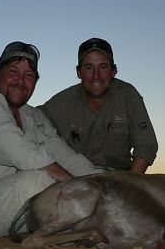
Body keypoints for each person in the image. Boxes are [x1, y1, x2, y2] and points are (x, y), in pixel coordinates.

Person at [0, 41, 104, 238]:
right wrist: (82, 189)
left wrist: (103, 181)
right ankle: (95, 227)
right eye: (13, 71)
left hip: (7, 200)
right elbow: (21, 152)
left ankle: (93, 226)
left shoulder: (32, 115)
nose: (20, 81)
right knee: (39, 183)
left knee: (104, 181)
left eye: (29, 75)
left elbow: (64, 154)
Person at [38, 38, 158, 174]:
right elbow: (32, 118)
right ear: (78, 72)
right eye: (89, 67)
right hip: (76, 178)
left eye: (103, 67)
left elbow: (146, 145)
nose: (96, 76)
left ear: (114, 71)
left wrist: (129, 185)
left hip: (120, 178)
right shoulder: (62, 102)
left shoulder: (128, 95)